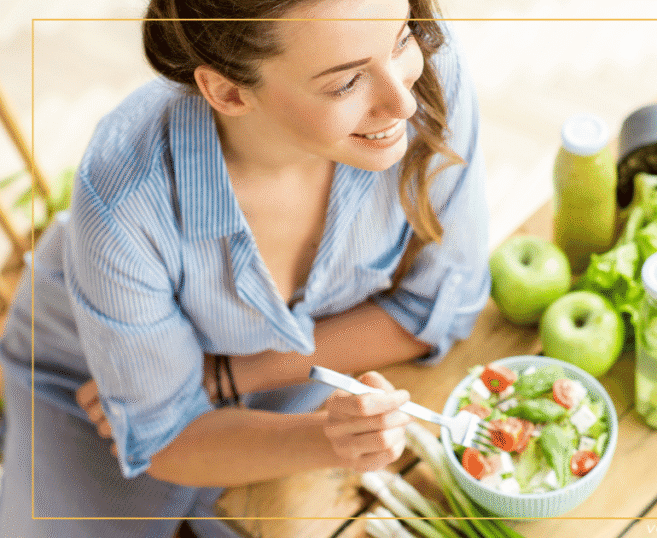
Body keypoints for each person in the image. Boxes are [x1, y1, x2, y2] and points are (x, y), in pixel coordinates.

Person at [0, 0, 489, 535]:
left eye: (401, 39)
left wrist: (229, 376)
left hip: (291, 367)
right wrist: (327, 437)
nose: (403, 102)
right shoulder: (123, 197)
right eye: (345, 83)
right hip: (90, 377)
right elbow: (167, 438)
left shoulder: (426, 72)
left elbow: (444, 305)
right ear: (228, 92)